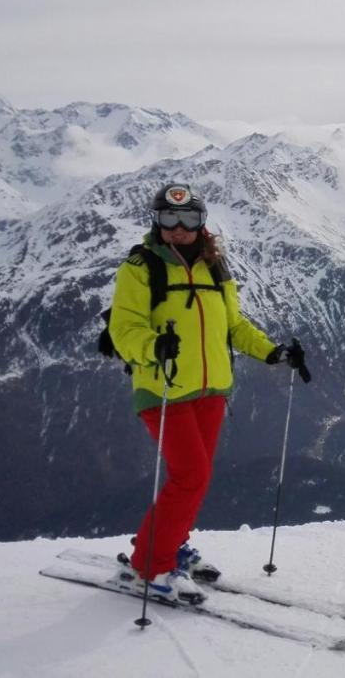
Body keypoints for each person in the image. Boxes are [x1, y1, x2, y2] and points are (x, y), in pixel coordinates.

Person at [108, 182, 306, 605]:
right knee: (190, 476)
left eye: (189, 220)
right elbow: (123, 329)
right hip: (163, 388)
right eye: (169, 219)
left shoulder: (216, 268)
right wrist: (153, 348)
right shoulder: (141, 268)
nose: (179, 229)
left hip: (211, 390)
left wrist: (273, 353)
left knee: (196, 479)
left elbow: (233, 325)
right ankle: (149, 565)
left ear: (202, 224)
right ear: (156, 222)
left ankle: (171, 544)